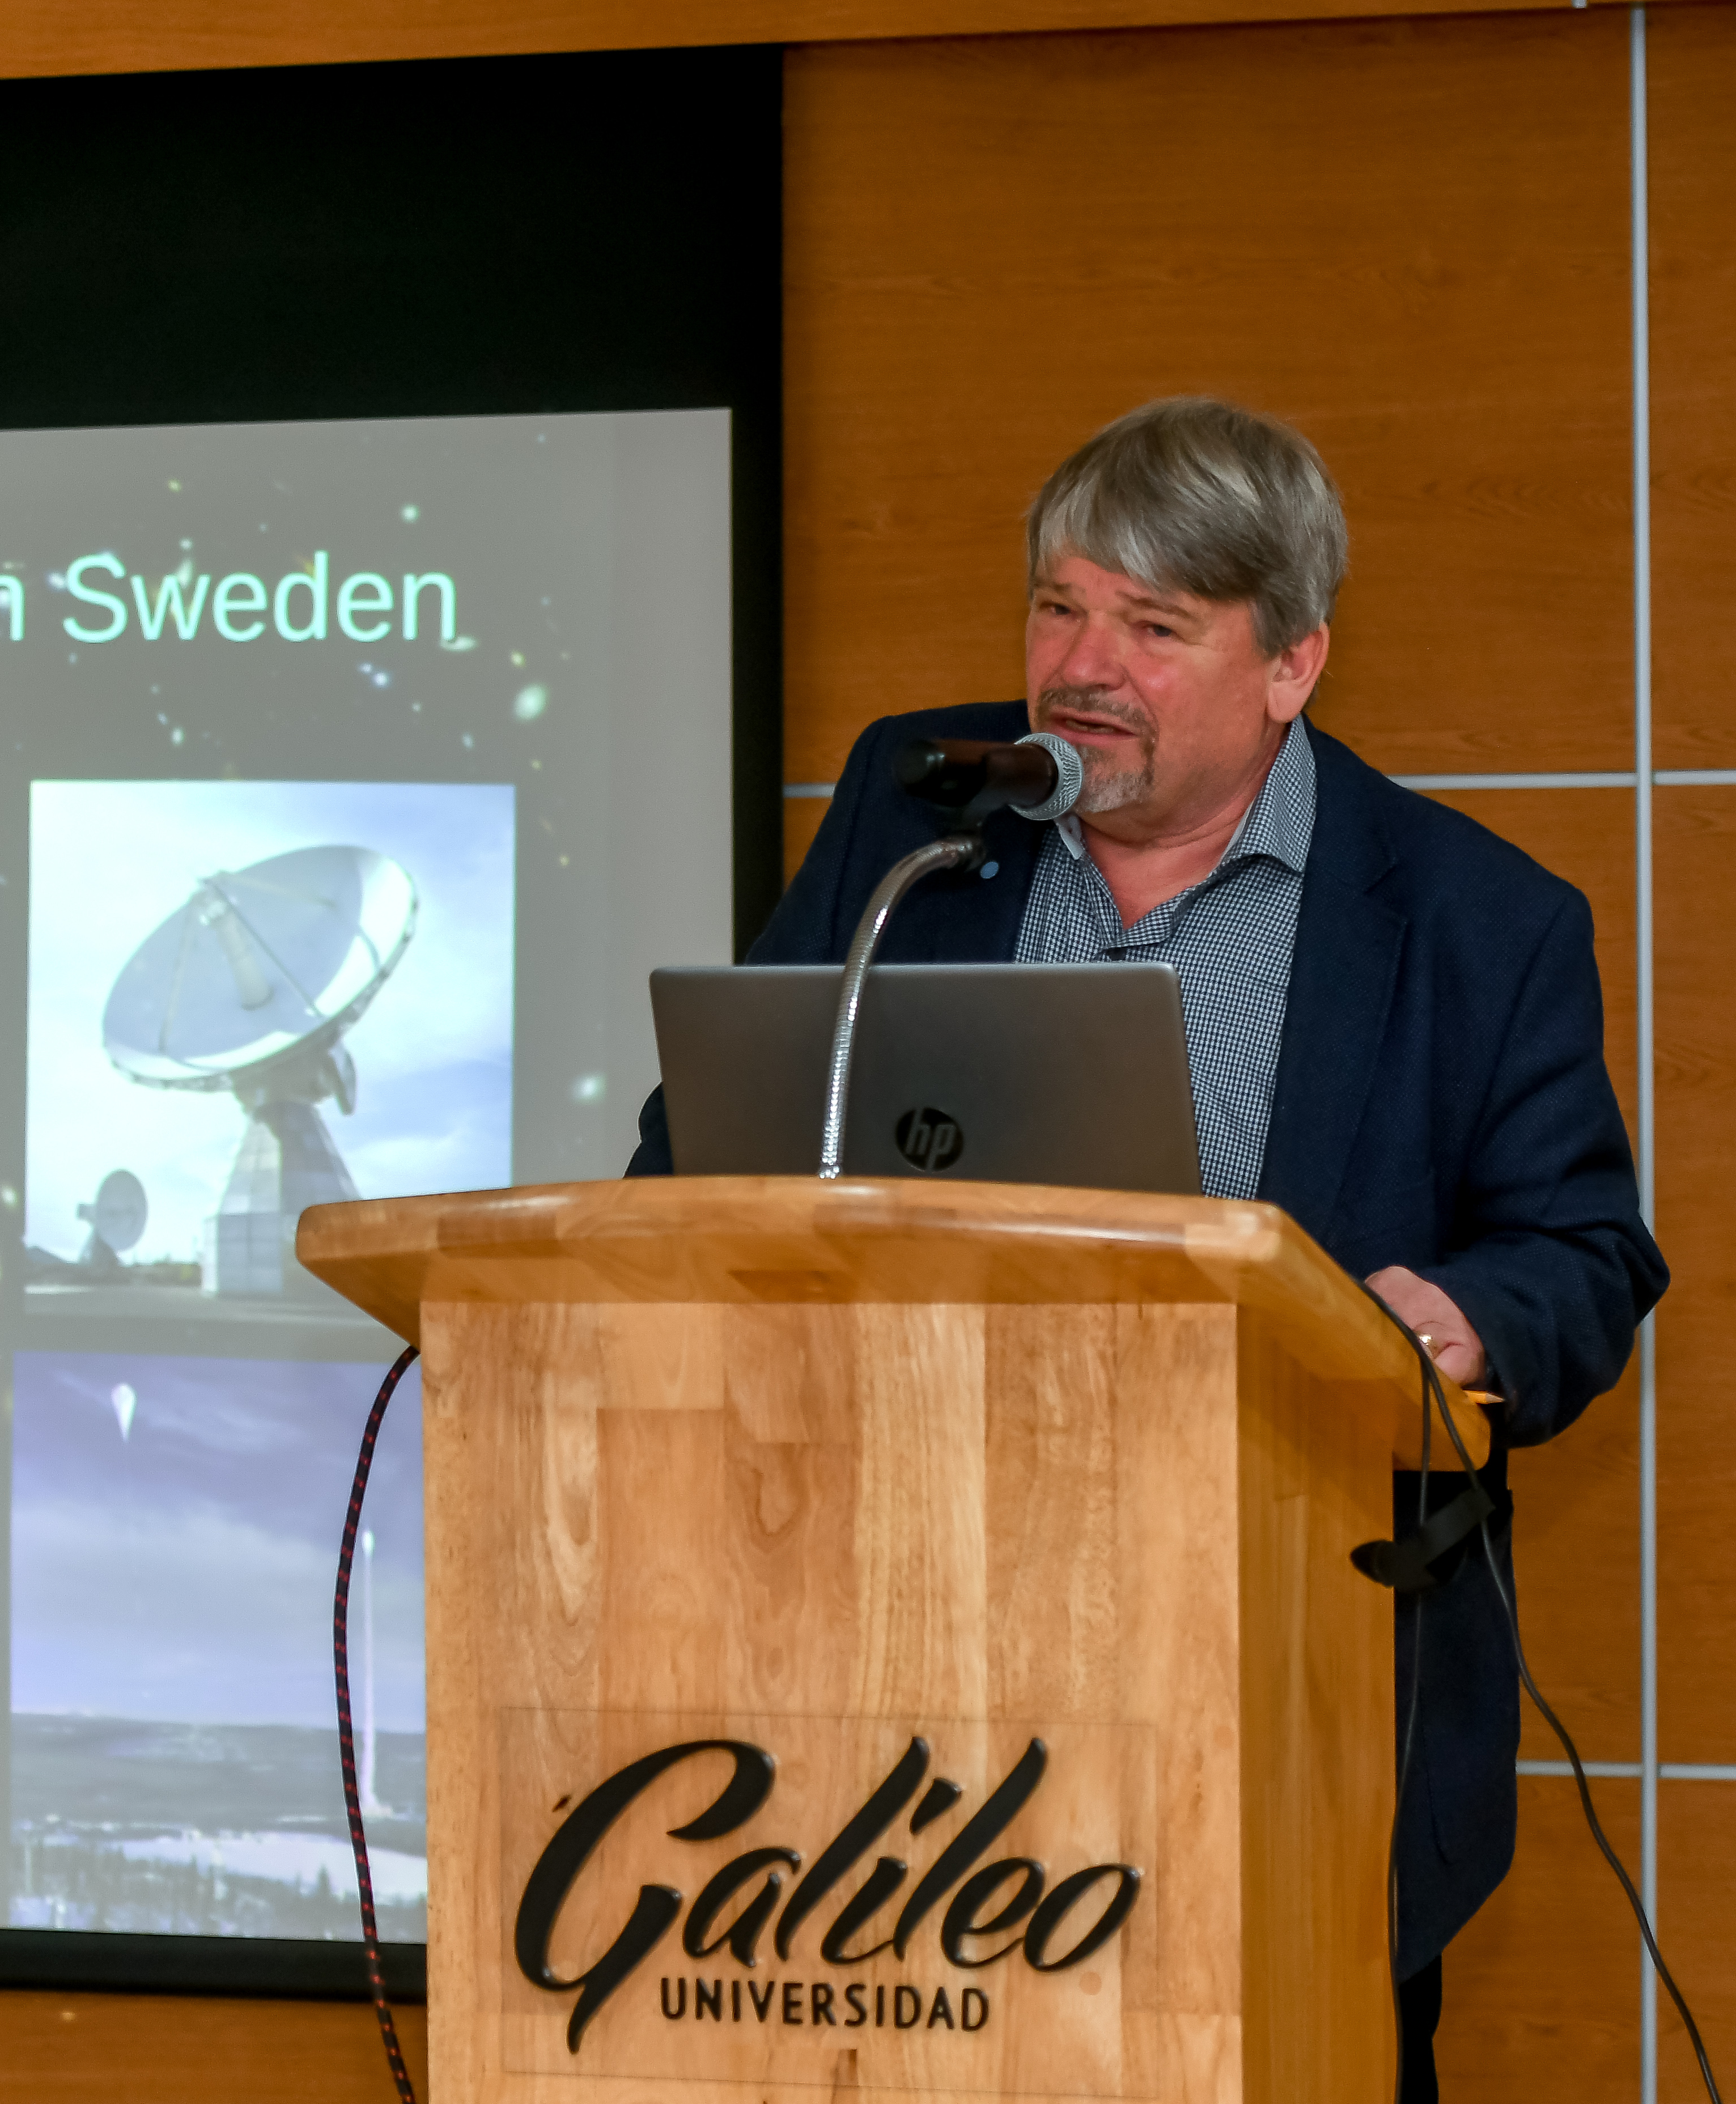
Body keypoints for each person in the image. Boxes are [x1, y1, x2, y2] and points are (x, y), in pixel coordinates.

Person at [627, 396, 1665, 2099]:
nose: (1079, 664)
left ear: (1292, 665)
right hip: (879, 1662)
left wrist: (1470, 1319)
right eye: (1058, 605)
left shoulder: (1480, 920)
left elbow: (1583, 1252)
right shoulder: (920, 823)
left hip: (1283, 1690)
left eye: (1154, 626)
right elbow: (699, 1153)